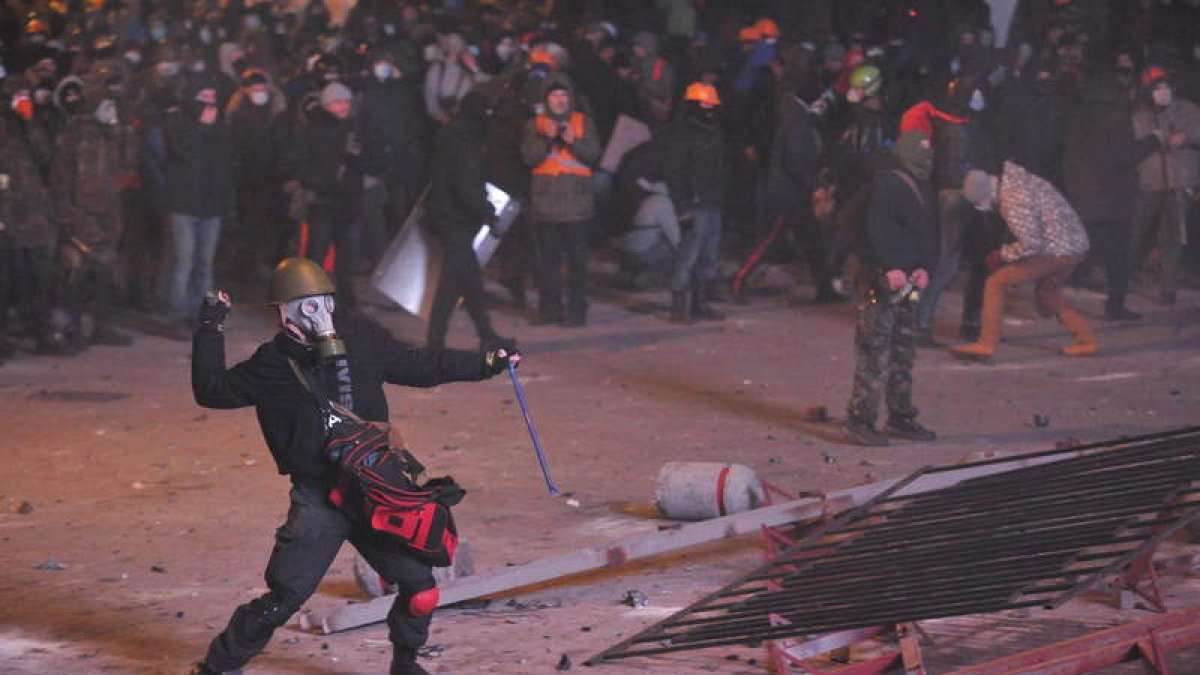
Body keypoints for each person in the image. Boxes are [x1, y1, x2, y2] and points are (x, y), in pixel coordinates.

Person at [188, 257, 519, 675]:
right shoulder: (272, 365)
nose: (316, 314)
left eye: (321, 303)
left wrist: (486, 363)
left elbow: (420, 365)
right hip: (319, 497)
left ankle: (405, 666)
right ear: (285, 312)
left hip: (375, 491)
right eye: (305, 306)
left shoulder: (362, 340)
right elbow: (213, 391)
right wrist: (210, 329)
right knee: (284, 596)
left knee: (420, 588)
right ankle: (217, 667)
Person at [844, 131, 938, 447]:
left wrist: (924, 266)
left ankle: (901, 417)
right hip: (882, 279)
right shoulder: (886, 183)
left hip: (908, 280)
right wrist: (888, 266)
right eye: (922, 152)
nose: (929, 158)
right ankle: (861, 420)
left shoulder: (917, 184)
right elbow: (876, 229)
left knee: (902, 350)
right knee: (875, 349)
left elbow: (922, 233)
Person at [950, 162, 1097, 361]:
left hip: (1055, 249)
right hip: (1075, 245)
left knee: (996, 283)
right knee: (1048, 294)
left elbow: (1030, 243)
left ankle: (986, 343)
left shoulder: (1013, 200)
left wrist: (1002, 255)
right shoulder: (1021, 181)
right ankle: (1086, 341)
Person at [425, 91, 515, 351]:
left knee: (468, 279)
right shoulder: (466, 140)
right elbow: (467, 184)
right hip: (454, 217)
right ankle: (436, 342)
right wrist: (488, 212)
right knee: (453, 281)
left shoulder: (453, 134)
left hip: (447, 214)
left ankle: (485, 335)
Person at [519, 78, 601, 327]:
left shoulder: (583, 122)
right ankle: (550, 309)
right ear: (546, 100)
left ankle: (577, 309)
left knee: (577, 262)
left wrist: (572, 141)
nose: (559, 100)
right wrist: (546, 139)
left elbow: (593, 154)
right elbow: (529, 157)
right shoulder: (534, 125)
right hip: (546, 205)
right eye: (554, 96)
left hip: (577, 206)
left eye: (564, 95)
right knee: (548, 262)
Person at [1125, 66, 1200, 306]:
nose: (1162, 91)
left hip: (1179, 182)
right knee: (1136, 234)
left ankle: (1169, 287)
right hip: (1149, 182)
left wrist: (1186, 138)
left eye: (1165, 86)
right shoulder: (1139, 114)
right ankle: (1123, 280)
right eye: (1156, 87)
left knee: (1173, 238)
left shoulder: (1188, 110)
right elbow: (1134, 144)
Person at [163, 81, 235, 328]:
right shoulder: (179, 128)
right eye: (205, 106)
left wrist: (226, 204)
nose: (211, 111)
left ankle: (201, 313)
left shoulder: (221, 133)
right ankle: (176, 314)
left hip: (210, 208)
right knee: (184, 261)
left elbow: (225, 170)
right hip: (184, 207)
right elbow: (183, 153)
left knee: (204, 263)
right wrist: (201, 128)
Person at [661, 82, 726, 324]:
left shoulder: (712, 130)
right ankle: (680, 306)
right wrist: (682, 205)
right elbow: (674, 171)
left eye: (712, 103)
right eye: (705, 103)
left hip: (711, 200)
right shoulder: (682, 133)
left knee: (708, 254)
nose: (709, 107)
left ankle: (699, 302)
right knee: (689, 255)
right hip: (694, 202)